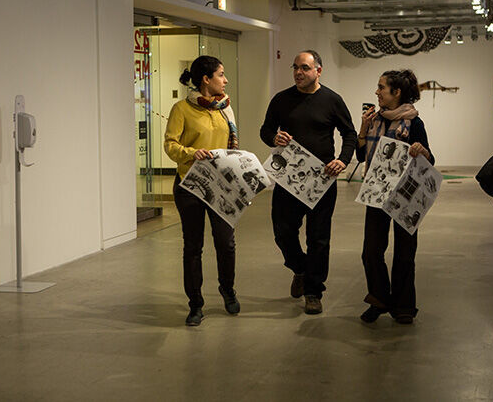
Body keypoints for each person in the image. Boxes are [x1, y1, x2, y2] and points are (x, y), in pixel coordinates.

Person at [259, 50, 357, 315]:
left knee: (318, 238)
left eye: (304, 68)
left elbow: (349, 133)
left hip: (322, 180)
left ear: (318, 71)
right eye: (295, 68)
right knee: (283, 233)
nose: (298, 73)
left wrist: (343, 160)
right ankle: (300, 268)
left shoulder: (332, 100)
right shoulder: (281, 100)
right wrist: (273, 139)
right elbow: (266, 130)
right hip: (288, 180)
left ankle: (313, 291)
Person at [164, 55, 240, 326]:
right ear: (206, 80)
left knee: (226, 242)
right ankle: (195, 304)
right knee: (193, 247)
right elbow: (170, 145)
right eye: (221, 74)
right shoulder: (181, 109)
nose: (225, 80)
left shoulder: (225, 108)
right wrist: (191, 153)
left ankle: (227, 289)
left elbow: (232, 146)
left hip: (220, 185)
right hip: (190, 185)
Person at [356, 69, 434, 325]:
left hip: (405, 196)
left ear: (396, 92)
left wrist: (420, 150)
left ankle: (403, 306)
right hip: (376, 192)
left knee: (404, 253)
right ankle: (379, 299)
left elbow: (430, 159)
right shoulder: (375, 119)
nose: (377, 92)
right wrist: (363, 130)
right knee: (371, 251)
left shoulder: (414, 123)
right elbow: (360, 157)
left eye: (381, 87)